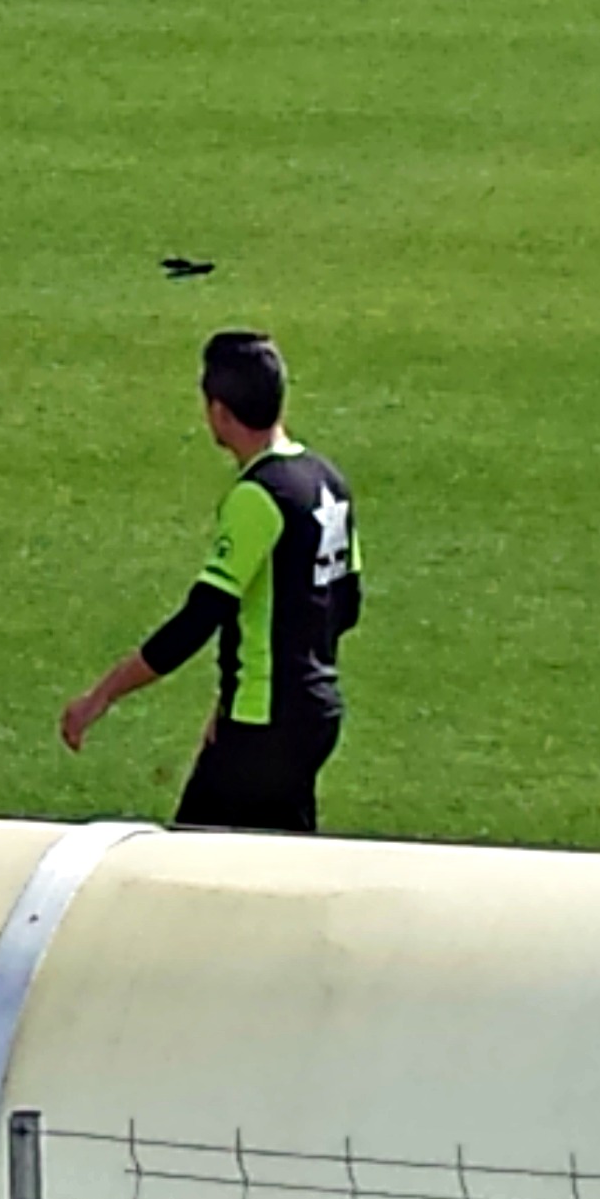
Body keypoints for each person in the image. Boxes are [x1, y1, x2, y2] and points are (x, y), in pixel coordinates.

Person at [59, 331, 362, 832]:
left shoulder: (259, 496)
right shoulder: (328, 481)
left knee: (194, 867)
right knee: (278, 867)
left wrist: (101, 696)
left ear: (218, 411)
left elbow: (197, 621)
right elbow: (346, 604)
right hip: (315, 716)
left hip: (264, 728)